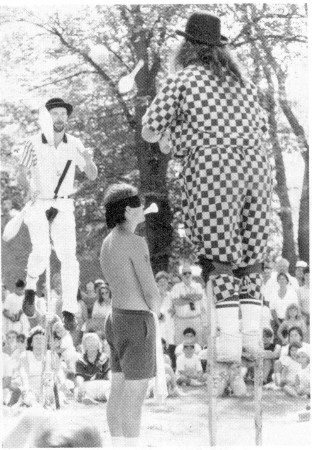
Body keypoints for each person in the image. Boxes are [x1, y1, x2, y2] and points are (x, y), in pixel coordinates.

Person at [142, 11, 272, 363]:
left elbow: (149, 129)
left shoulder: (184, 79)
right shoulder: (244, 84)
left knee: (220, 257)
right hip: (257, 167)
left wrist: (172, 135)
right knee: (251, 258)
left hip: (215, 169)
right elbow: (258, 130)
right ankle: (251, 338)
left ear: (187, 46)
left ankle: (229, 342)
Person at [18, 97, 98, 331]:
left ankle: (69, 310)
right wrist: (29, 188)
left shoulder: (75, 143)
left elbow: (92, 174)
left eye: (63, 114)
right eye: (55, 114)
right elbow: (21, 174)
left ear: (67, 118)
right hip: (39, 203)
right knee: (41, 252)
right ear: (47, 117)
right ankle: (31, 290)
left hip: (63, 204)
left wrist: (90, 161)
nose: (59, 118)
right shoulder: (32, 142)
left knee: (69, 258)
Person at [100, 183, 161, 447]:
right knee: (135, 398)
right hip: (137, 322)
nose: (142, 207)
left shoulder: (108, 241)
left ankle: (117, 446)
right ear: (128, 209)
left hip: (115, 319)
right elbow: (151, 292)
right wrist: (157, 313)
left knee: (118, 392)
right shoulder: (136, 243)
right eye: (138, 203)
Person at [169, 264, 205, 346]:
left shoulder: (197, 286)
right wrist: (192, 298)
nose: (187, 275)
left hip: (195, 319)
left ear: (192, 274)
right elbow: (176, 302)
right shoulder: (176, 287)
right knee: (180, 344)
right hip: (181, 320)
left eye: (189, 273)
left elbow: (199, 296)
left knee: (198, 343)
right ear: (181, 276)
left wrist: (184, 297)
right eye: (185, 273)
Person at [75, 332, 110, 405]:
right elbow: (79, 376)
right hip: (88, 386)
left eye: (94, 341)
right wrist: (81, 386)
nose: (91, 344)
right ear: (84, 346)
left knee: (110, 387)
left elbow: (109, 373)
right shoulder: (80, 361)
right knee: (77, 390)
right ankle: (88, 400)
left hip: (102, 385)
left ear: (98, 345)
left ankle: (110, 400)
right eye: (88, 342)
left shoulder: (104, 358)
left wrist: (112, 382)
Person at [155, 271, 176, 369]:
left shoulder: (171, 296)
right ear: (156, 283)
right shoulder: (154, 296)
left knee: (170, 348)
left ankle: (171, 369)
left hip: (169, 326)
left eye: (165, 281)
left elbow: (176, 309)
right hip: (158, 325)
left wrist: (174, 309)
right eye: (160, 282)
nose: (162, 284)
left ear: (168, 283)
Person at [270, 273, 299, 342]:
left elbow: (295, 308)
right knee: (278, 343)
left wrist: (288, 323)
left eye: (283, 279)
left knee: (290, 342)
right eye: (279, 279)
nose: (281, 281)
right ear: (277, 281)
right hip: (276, 322)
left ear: (287, 281)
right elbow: (272, 309)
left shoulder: (292, 293)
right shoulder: (273, 293)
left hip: (290, 321)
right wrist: (279, 323)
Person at [297, 266, 310, 343]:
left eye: (310, 275)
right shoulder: (300, 290)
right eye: (306, 275)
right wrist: (308, 315)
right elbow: (298, 306)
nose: (308, 277)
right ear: (304, 276)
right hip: (304, 320)